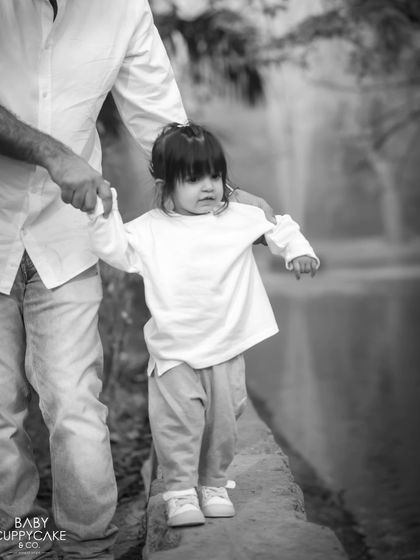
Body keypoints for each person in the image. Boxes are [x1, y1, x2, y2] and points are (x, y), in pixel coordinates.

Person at [0, 2, 274, 558]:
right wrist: (55, 155)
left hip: (69, 229)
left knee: (76, 402)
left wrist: (226, 197)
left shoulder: (122, 8)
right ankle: (19, 542)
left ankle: (88, 546)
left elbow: (160, 121)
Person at [87, 123, 320, 528]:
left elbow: (277, 225)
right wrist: (103, 212)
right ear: (165, 185)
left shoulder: (236, 217)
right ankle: (179, 492)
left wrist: (298, 251)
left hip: (227, 346)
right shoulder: (149, 229)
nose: (208, 187)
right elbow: (115, 250)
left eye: (214, 176)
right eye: (193, 179)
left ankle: (213, 483)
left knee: (225, 421)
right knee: (178, 423)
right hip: (175, 350)